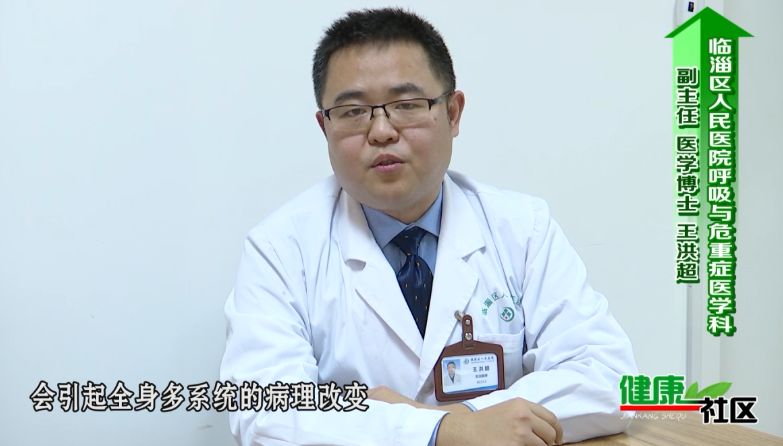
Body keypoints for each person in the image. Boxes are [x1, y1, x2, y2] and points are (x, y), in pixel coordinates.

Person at [220, 7, 637, 446]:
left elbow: (610, 378)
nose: (381, 131)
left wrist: (457, 419)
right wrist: (444, 431)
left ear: (453, 113)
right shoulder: (280, 249)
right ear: (325, 127)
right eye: (353, 111)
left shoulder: (523, 229)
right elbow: (264, 412)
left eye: (406, 105)